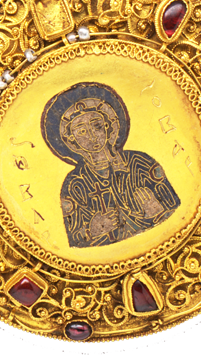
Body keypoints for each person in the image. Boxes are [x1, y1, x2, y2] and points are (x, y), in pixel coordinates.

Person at [41, 81, 180, 247]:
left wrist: (158, 210)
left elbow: (176, 211)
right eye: (82, 131)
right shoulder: (74, 184)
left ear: (108, 126)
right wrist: (92, 230)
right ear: (71, 140)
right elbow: (74, 241)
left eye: (97, 126)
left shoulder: (140, 163)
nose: (92, 136)